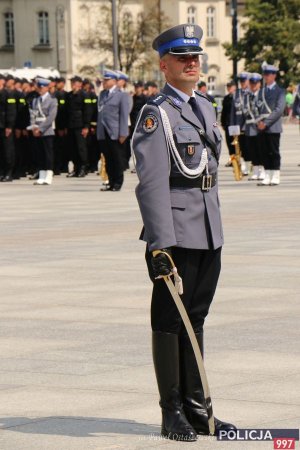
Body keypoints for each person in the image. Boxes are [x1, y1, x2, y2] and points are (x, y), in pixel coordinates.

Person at [132, 23, 236, 441]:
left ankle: (198, 408)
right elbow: (152, 182)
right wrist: (160, 243)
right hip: (175, 233)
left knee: (197, 318)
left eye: (195, 57)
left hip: (209, 229)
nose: (192, 63)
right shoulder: (156, 113)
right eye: (182, 57)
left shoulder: (204, 107)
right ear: (164, 65)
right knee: (170, 321)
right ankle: (171, 410)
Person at [96, 70, 130, 191]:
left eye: (106, 80)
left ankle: (118, 182)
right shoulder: (102, 94)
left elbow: (124, 115)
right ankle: (110, 182)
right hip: (103, 131)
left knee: (117, 158)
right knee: (108, 159)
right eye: (103, 80)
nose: (103, 82)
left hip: (115, 132)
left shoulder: (121, 95)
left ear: (114, 81)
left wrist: (123, 133)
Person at [256, 65, 286, 186]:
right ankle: (267, 174)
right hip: (261, 126)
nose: (266, 77)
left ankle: (276, 174)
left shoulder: (280, 91)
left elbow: (279, 110)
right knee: (264, 151)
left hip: (273, 126)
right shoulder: (261, 91)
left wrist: (266, 123)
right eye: (265, 74)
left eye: (268, 74)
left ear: (274, 75)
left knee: (274, 151)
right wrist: (258, 121)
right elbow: (256, 107)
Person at [27, 78, 58, 185]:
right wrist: (34, 127)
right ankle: (41, 175)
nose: (39, 89)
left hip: (47, 130)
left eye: (41, 87)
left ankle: (49, 175)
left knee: (48, 154)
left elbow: (51, 117)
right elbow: (33, 115)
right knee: (39, 153)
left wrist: (41, 129)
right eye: (38, 87)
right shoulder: (36, 100)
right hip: (36, 130)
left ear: (46, 88)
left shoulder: (52, 100)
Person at [66, 76, 92, 178]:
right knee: (72, 148)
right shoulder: (69, 95)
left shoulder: (84, 95)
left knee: (81, 148)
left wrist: (86, 126)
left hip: (80, 125)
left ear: (80, 84)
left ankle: (83, 168)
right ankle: (76, 168)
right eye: (72, 82)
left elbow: (88, 111)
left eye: (74, 82)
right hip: (71, 125)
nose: (72, 84)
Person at [243, 73, 265, 181]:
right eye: (251, 83)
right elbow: (245, 109)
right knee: (252, 150)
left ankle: (262, 170)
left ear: (259, 84)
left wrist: (259, 121)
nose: (253, 85)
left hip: (261, 127)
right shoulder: (247, 95)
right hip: (250, 128)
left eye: (255, 83)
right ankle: (255, 171)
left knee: (261, 149)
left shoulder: (263, 94)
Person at [230, 72, 250, 175]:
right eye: (241, 81)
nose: (243, 83)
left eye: (244, 81)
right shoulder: (236, 94)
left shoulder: (251, 93)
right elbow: (233, 112)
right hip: (238, 126)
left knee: (250, 147)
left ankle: (251, 166)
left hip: (249, 126)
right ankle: (243, 167)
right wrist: (232, 126)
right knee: (240, 148)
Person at [0, 74, 17, 182]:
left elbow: (11, 111)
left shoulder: (8, 94)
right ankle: (1, 172)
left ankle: (9, 172)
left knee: (8, 150)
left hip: (5, 126)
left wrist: (9, 126)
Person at [220, 81, 236, 166]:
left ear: (234, 87)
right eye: (228, 87)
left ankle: (238, 160)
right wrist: (222, 123)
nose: (229, 89)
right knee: (229, 143)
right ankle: (232, 160)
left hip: (235, 125)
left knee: (236, 144)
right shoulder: (226, 98)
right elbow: (224, 112)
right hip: (227, 124)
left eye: (230, 87)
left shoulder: (237, 97)